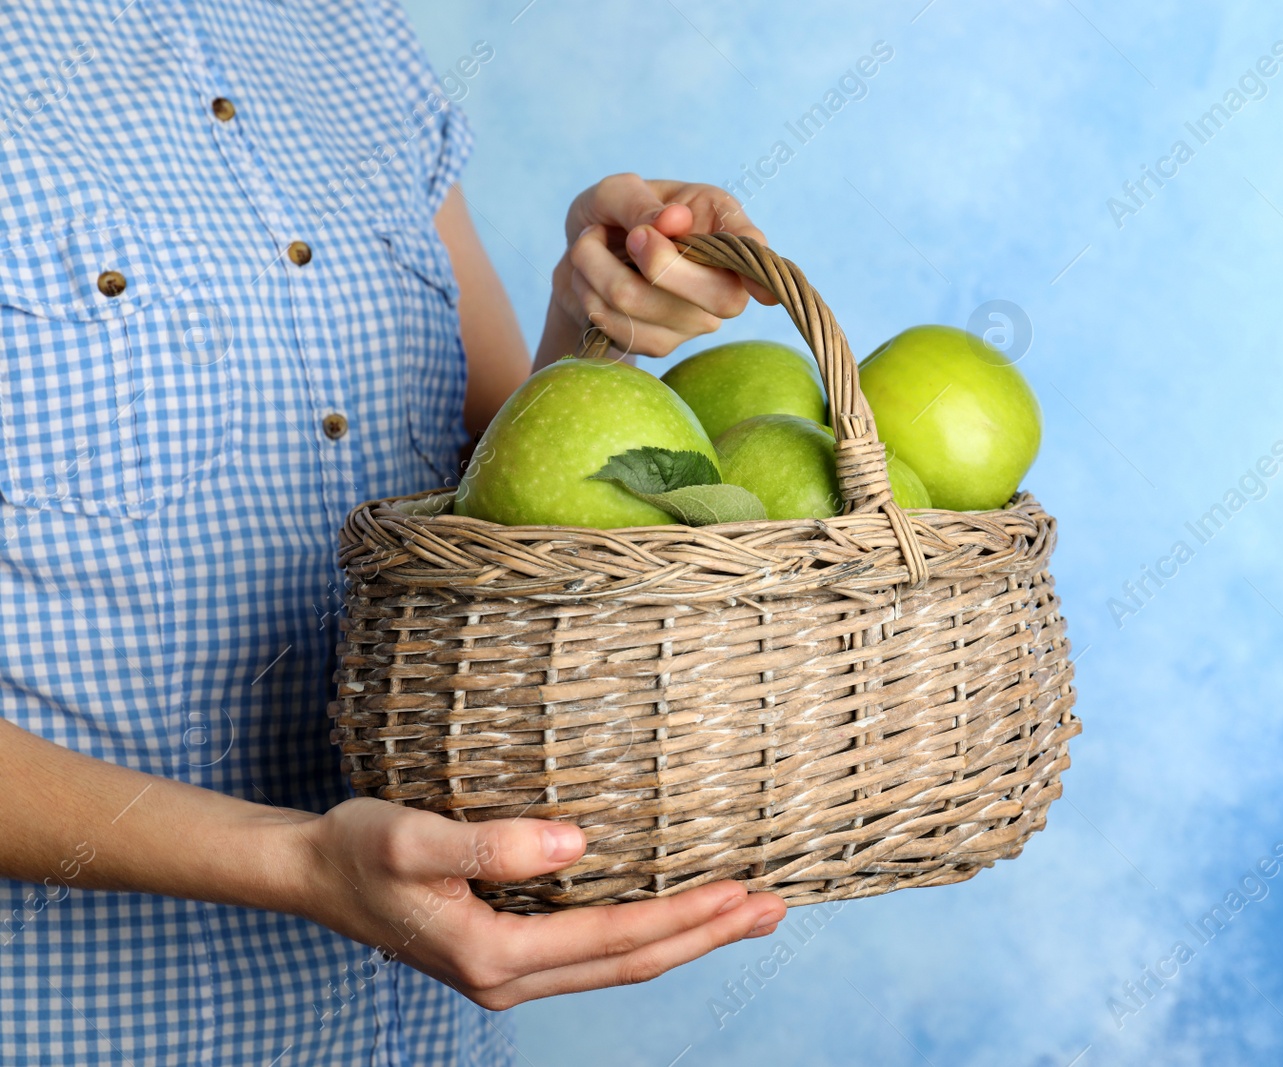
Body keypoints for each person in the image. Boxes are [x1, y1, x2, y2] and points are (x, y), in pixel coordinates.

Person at [0, 2, 786, 1063]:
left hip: (414, 1032)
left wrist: (598, 314)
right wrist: (295, 861)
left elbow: (487, 492)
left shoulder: (349, 30)